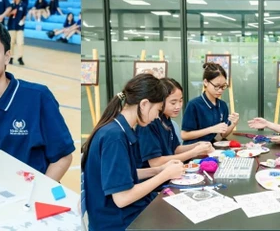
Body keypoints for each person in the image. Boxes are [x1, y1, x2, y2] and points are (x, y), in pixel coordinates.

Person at [0, 21, 75, 181]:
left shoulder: (39, 97)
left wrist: (40, 192)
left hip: (29, 196)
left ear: (7, 57)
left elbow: (63, 156)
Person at [82, 74, 185, 230]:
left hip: (125, 214)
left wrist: (160, 169)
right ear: (144, 104)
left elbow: (124, 174)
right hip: (118, 223)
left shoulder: (119, 129)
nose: (157, 115)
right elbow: (122, 198)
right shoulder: (114, 137)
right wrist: (165, 175)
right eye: (158, 109)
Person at [138, 78, 214, 168]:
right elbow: (155, 162)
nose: (178, 106)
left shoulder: (166, 119)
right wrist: (194, 152)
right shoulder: (148, 123)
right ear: (160, 101)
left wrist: (197, 145)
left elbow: (176, 149)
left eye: (180, 101)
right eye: (173, 103)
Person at [181, 63, 240, 144]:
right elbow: (184, 135)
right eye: (216, 86)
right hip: (193, 150)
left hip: (211, 148)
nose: (220, 90)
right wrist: (211, 129)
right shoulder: (194, 105)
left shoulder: (222, 105)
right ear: (206, 82)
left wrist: (233, 124)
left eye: (223, 86)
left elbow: (223, 134)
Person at [6, 0, 26, 65]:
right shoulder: (11, 5)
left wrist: (22, 21)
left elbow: (25, 15)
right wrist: (11, 12)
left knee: (20, 42)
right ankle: (11, 57)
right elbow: (7, 15)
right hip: (11, 26)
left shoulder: (23, 5)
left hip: (20, 27)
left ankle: (20, 57)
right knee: (11, 43)